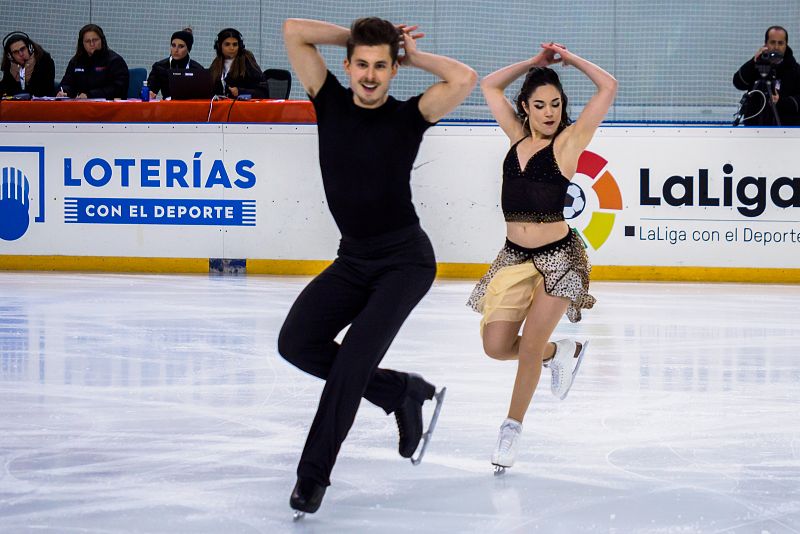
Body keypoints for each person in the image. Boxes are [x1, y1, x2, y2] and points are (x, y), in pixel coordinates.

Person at [278, 17, 476, 517]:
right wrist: (359, 35)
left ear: (394, 69)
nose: (369, 75)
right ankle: (399, 391)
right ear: (346, 65)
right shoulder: (328, 98)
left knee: (350, 366)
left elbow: (464, 80)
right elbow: (293, 29)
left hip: (405, 262)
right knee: (296, 343)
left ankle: (312, 479)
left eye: (381, 66)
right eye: (361, 64)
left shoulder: (410, 116)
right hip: (353, 259)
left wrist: (411, 52)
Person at [468, 42, 616, 474]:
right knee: (496, 347)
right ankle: (560, 352)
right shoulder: (515, 139)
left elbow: (608, 86)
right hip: (514, 258)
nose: (550, 112)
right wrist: (533, 63)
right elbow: (489, 84)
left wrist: (570, 61)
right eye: (540, 105)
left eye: (556, 103)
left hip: (559, 259)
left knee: (528, 346)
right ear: (525, 108)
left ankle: (511, 429)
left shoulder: (570, 142)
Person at [733, 26, 800, 126]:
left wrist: (781, 101)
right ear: (766, 44)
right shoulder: (756, 65)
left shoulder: (795, 69)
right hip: (755, 129)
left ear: (786, 45)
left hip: (786, 131)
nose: (776, 47)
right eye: (772, 42)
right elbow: (738, 83)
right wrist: (753, 62)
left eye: (780, 43)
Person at [57, 24, 129, 99]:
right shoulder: (76, 61)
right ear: (82, 44)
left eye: (95, 40)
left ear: (102, 40)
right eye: (88, 41)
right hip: (80, 105)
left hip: (107, 106)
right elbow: (67, 83)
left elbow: (118, 88)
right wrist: (64, 92)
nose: (92, 44)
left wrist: (90, 95)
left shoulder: (115, 61)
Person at [146, 28, 204, 99]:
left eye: (181, 46)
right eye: (173, 45)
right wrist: (149, 93)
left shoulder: (197, 69)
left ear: (188, 49)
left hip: (189, 107)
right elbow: (149, 89)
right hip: (167, 107)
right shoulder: (160, 67)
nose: (176, 50)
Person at [209, 28, 265, 98]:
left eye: (235, 44)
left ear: (240, 46)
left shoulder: (247, 62)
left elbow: (262, 92)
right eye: (227, 44)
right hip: (221, 106)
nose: (232, 48)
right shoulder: (217, 63)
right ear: (219, 46)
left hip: (243, 107)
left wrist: (240, 92)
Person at [1, 31, 55, 97]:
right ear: (10, 56)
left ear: (29, 47)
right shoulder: (10, 66)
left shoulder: (45, 61)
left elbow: (45, 89)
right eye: (15, 52)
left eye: (23, 49)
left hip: (39, 103)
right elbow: (6, 89)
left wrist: (26, 71)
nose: (21, 54)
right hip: (16, 105)